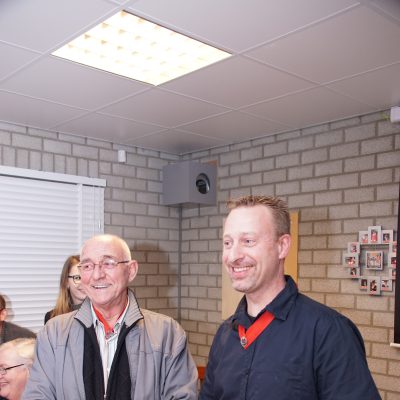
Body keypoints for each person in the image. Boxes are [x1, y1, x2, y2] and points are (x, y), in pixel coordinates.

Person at [200, 195, 380, 400]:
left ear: (282, 246)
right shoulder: (225, 335)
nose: (233, 256)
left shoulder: (329, 332)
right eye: (228, 243)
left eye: (248, 241)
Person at [23, 234, 198, 399]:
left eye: (108, 263)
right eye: (87, 266)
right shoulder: (53, 334)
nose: (97, 275)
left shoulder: (167, 334)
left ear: (131, 270)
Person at [44, 255, 86, 324]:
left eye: (86, 277)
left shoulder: (100, 316)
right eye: (77, 278)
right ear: (66, 282)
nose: (83, 283)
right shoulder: (52, 318)